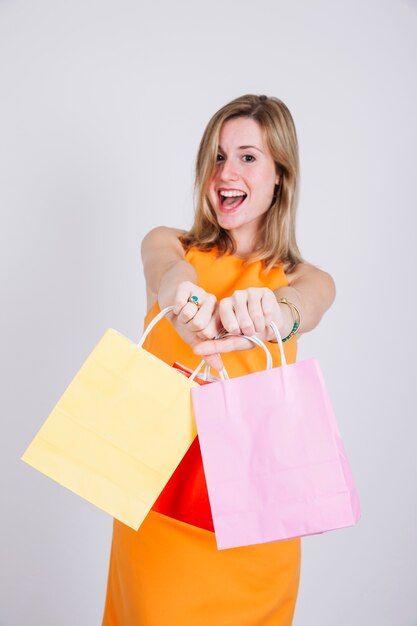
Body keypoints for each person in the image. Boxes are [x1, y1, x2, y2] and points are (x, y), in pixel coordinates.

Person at [101, 94, 335, 626]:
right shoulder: (173, 246)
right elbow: (165, 270)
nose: (226, 173)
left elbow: (306, 305)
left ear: (281, 174)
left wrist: (278, 314)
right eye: (217, 157)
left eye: (248, 157)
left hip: (256, 524)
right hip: (158, 511)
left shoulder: (304, 278)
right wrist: (178, 292)